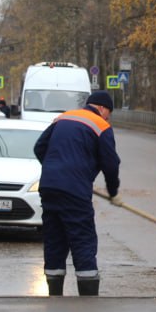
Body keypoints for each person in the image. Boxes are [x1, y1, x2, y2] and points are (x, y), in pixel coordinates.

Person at [33, 90, 122, 296]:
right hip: (74, 191)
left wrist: (55, 169)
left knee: (54, 238)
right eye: (109, 113)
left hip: (49, 186)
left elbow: (39, 147)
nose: (108, 118)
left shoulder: (64, 117)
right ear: (102, 108)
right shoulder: (101, 126)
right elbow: (111, 164)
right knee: (82, 238)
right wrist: (113, 191)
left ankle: (54, 295)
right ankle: (87, 299)